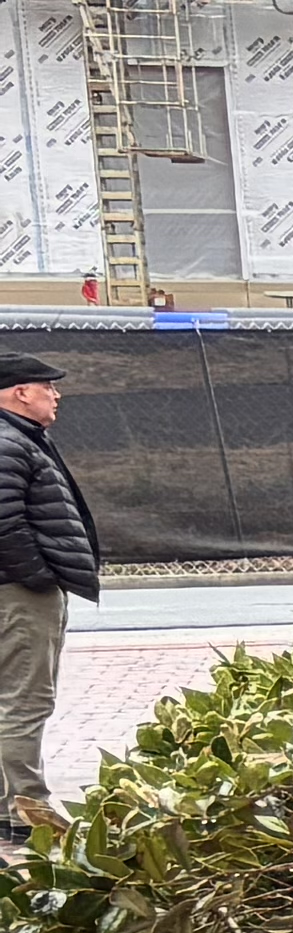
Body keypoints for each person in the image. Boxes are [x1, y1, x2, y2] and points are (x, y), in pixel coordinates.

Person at [0, 350, 101, 832]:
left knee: (12, 699)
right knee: (26, 700)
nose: (56, 395)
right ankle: (29, 812)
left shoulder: (19, 438)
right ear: (21, 392)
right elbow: (4, 524)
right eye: (48, 387)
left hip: (19, 587)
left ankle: (10, 808)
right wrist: (37, 575)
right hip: (19, 593)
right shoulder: (8, 441)